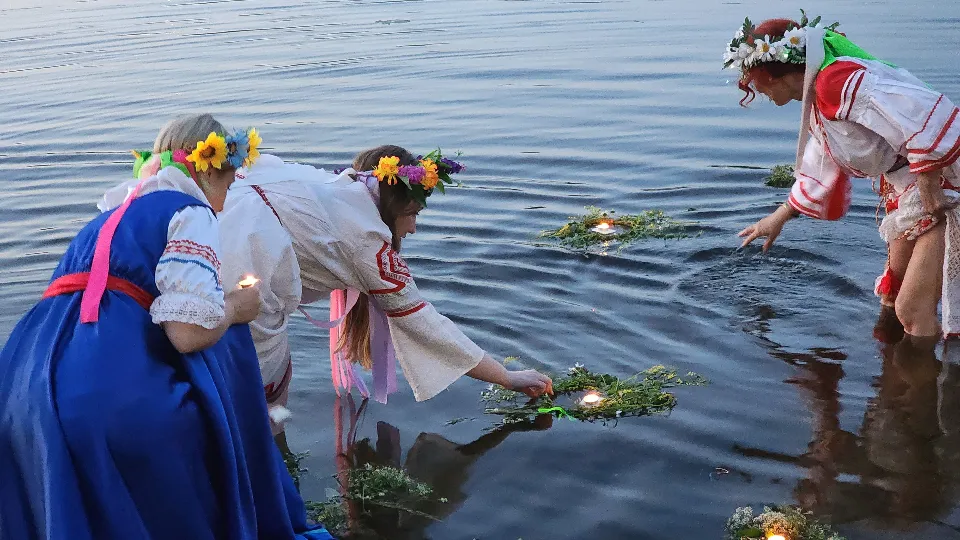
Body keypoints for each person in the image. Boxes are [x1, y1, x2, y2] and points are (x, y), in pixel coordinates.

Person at [0, 114, 333, 539]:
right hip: (105, 394)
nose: (226, 200)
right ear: (209, 168)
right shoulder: (189, 210)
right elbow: (187, 334)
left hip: (20, 386)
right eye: (229, 184)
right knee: (203, 439)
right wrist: (236, 308)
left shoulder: (106, 219)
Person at [218, 145, 553, 434]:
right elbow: (424, 323)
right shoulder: (367, 245)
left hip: (209, 233)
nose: (413, 228)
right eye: (410, 215)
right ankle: (268, 469)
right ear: (391, 207)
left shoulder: (337, 184)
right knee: (267, 393)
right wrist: (507, 377)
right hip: (246, 271)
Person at [729, 13, 960, 340]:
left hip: (943, 185)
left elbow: (927, 110)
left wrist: (928, 184)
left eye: (756, 79)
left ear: (774, 75)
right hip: (907, 190)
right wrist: (779, 217)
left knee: (912, 311)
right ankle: (893, 381)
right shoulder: (818, 101)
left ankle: (930, 386)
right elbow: (822, 161)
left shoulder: (836, 81)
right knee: (890, 299)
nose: (756, 89)